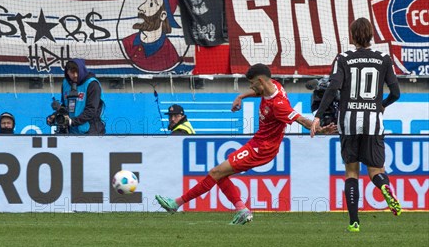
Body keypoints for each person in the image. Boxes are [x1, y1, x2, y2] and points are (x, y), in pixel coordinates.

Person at [155, 63, 335, 224]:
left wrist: (320, 129)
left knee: (216, 172)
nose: (251, 87)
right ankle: (242, 209)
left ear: (260, 81)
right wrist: (241, 97)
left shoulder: (279, 104)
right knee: (219, 174)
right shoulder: (274, 86)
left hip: (262, 149)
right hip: (257, 143)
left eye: (251, 83)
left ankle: (176, 203)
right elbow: (258, 92)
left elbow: (302, 121)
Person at [310, 18, 401, 232]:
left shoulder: (343, 58)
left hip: (349, 121)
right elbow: (396, 93)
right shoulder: (384, 59)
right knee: (376, 170)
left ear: (352, 36)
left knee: (352, 172)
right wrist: (381, 105)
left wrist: (318, 116)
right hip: (373, 121)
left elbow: (333, 88)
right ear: (371, 35)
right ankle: (384, 186)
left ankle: (354, 222)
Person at [47, 58, 106, 135]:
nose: (75, 75)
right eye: (72, 72)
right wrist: (55, 115)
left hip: (91, 131)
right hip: (72, 131)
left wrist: (72, 121)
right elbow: (66, 107)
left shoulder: (92, 84)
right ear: (67, 72)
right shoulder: (65, 83)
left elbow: (91, 110)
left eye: (77, 72)